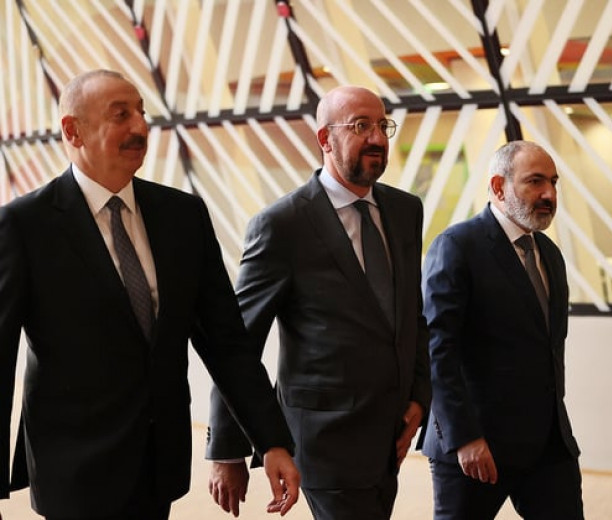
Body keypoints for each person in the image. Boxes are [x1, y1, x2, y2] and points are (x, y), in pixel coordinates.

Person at [0, 69, 300, 520]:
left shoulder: (182, 216)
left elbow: (227, 344)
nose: (140, 126)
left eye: (141, 112)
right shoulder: (24, 226)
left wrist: (271, 440)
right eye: (120, 115)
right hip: (74, 473)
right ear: (73, 131)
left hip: (158, 465)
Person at [206, 85, 431, 520]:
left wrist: (420, 397)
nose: (377, 138)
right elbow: (237, 341)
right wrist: (227, 450)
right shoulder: (282, 224)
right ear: (325, 139)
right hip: (324, 440)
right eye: (360, 126)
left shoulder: (406, 211)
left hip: (391, 436)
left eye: (382, 125)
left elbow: (412, 315)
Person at [421, 141, 584, 520]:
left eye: (553, 182)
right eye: (535, 181)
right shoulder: (457, 246)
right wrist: (464, 437)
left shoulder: (550, 254)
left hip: (548, 444)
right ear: (498, 186)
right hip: (477, 445)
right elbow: (436, 350)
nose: (549, 194)